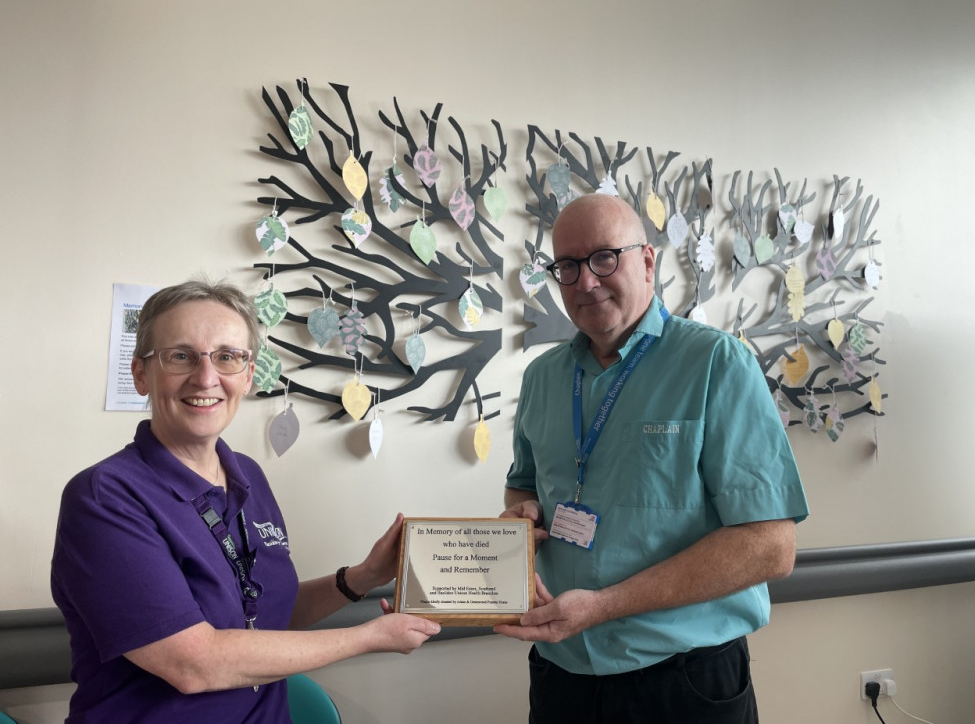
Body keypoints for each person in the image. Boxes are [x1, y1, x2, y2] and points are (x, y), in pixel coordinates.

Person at [51, 279, 440, 723]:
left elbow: (261, 614)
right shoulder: (105, 497)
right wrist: (366, 637)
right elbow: (192, 663)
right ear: (141, 373)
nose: (206, 377)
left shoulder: (248, 475)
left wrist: (362, 577)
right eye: (180, 356)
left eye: (227, 357)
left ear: (249, 375)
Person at [497, 194, 809, 723]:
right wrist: (520, 514)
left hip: (681, 682)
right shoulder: (542, 377)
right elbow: (523, 486)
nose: (585, 282)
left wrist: (602, 606)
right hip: (560, 676)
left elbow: (770, 548)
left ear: (647, 260)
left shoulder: (716, 363)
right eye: (567, 266)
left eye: (603, 258)